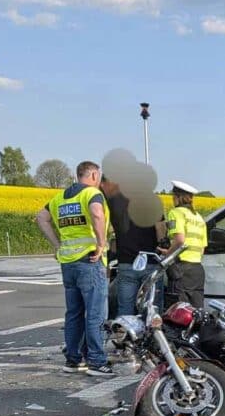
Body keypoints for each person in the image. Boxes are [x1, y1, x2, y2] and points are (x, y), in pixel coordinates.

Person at [35, 160, 112, 375]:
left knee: (74, 313)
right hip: (90, 261)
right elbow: (97, 214)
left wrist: (57, 246)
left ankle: (73, 359)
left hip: (68, 263)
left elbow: (41, 218)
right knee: (96, 314)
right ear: (94, 175)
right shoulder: (91, 195)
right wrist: (101, 243)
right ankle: (96, 361)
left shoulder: (60, 198)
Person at [100, 173, 167, 316]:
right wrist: (162, 246)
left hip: (126, 262)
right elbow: (160, 228)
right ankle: (149, 337)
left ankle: (127, 337)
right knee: (151, 308)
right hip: (150, 261)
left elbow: (111, 229)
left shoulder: (116, 202)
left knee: (125, 308)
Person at [164, 181, 207, 308]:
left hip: (181, 267)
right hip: (197, 270)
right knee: (196, 311)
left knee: (179, 311)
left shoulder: (176, 213)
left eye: (173, 197)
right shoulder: (199, 217)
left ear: (178, 197)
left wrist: (167, 253)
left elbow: (180, 240)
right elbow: (202, 248)